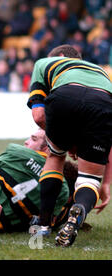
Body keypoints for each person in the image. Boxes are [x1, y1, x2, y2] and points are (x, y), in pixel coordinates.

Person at [27, 44, 111, 247]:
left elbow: (39, 116)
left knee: (55, 157)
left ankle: (44, 224)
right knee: (90, 179)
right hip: (104, 103)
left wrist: (64, 143)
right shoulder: (103, 73)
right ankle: (80, 208)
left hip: (65, 97)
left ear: (61, 56)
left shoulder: (45, 63)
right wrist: (106, 183)